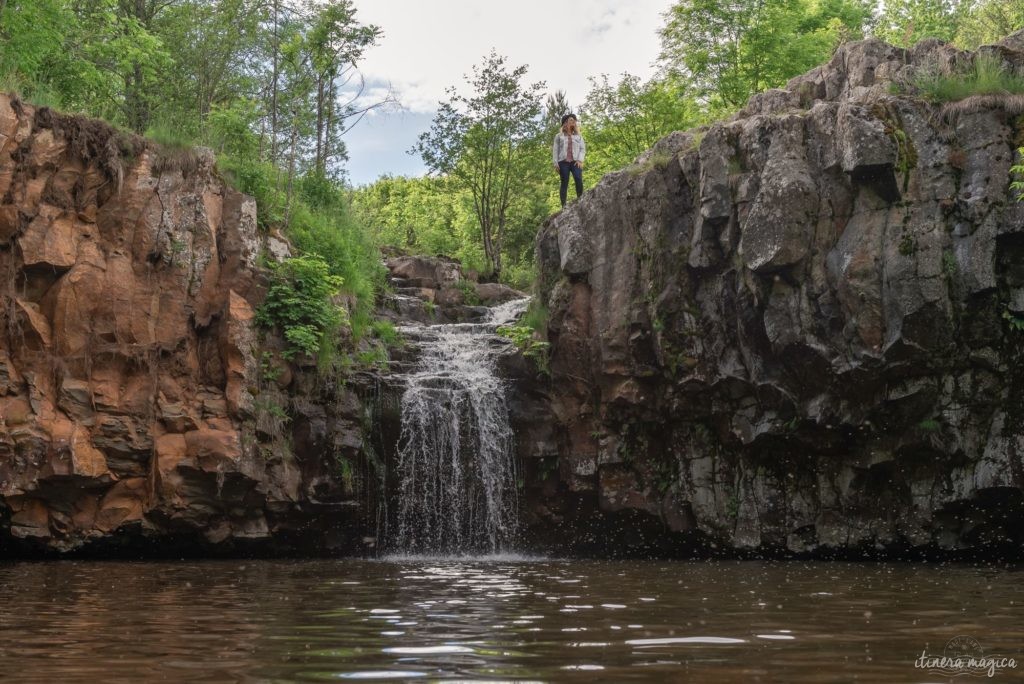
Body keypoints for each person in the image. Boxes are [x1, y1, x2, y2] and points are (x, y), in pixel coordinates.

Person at [552, 113, 585, 208]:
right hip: (563, 162)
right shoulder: (559, 136)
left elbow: (582, 149)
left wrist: (580, 160)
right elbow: (555, 150)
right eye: (571, 120)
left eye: (574, 120)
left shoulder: (578, 136)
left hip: (575, 162)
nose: (574, 122)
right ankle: (564, 205)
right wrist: (555, 163)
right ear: (565, 123)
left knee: (578, 178)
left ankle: (580, 199)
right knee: (564, 182)